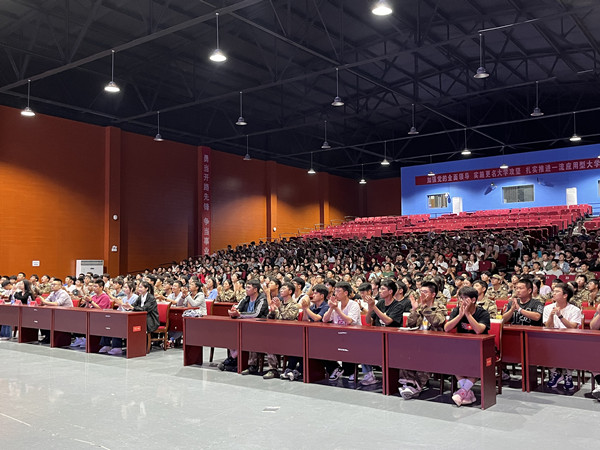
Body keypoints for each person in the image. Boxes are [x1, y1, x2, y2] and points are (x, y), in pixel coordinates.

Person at [398, 281, 447, 399]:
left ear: (433, 294)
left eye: (425, 292)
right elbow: (409, 324)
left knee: (425, 356)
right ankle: (409, 384)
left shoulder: (440, 307)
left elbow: (436, 322)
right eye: (421, 292)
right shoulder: (418, 306)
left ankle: (416, 386)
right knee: (405, 353)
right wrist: (415, 310)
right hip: (417, 341)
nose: (422, 294)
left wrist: (424, 307)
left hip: (434, 343)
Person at [444, 286, 490, 406]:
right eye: (460, 298)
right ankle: (466, 391)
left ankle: (463, 391)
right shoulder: (457, 310)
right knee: (452, 357)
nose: (461, 301)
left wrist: (468, 314)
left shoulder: (483, 313)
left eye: (465, 298)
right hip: (462, 346)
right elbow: (447, 328)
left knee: (476, 361)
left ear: (473, 300)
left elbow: (479, 330)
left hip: (480, 347)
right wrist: (460, 315)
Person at [280, 284, 330, 381]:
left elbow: (317, 318)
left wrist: (306, 308)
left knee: (306, 348)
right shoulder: (313, 306)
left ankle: (298, 370)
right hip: (311, 334)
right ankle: (290, 369)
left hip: (323, 337)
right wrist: (304, 309)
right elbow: (305, 320)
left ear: (322, 296)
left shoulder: (326, 306)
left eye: (315, 293)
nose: (312, 295)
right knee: (296, 345)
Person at [361, 279, 406, 386]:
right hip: (378, 336)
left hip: (392, 339)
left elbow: (388, 321)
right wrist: (369, 309)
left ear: (390, 291)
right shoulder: (380, 303)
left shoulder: (398, 305)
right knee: (362, 346)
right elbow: (369, 321)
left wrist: (374, 306)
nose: (380, 291)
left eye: (382, 289)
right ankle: (369, 375)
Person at [221, 279, 268, 373]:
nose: (246, 289)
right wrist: (233, 312)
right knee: (230, 335)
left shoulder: (262, 299)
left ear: (255, 289)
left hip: (259, 328)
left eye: (248, 287)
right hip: (244, 327)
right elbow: (237, 309)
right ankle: (234, 359)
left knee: (250, 338)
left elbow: (256, 314)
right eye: (246, 287)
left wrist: (240, 314)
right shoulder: (245, 298)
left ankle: (251, 365)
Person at [543, 283, 582, 390]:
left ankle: (568, 375)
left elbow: (573, 327)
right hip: (552, 338)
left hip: (569, 339)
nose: (553, 293)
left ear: (565, 295)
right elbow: (548, 326)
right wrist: (551, 315)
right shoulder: (547, 308)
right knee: (543, 348)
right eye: (553, 291)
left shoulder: (575, 310)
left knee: (571, 348)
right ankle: (555, 373)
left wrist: (560, 316)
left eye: (557, 291)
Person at [322, 281, 362, 381]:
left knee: (347, 347)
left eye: (338, 291)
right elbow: (325, 320)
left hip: (353, 335)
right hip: (337, 334)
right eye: (335, 291)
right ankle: (336, 368)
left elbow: (349, 321)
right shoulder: (336, 304)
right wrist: (331, 308)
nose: (336, 293)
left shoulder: (354, 305)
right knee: (321, 345)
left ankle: (351, 371)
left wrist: (336, 309)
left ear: (346, 293)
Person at [111, 281, 159, 355]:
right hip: (142, 317)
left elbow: (145, 309)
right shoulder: (140, 297)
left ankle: (140, 346)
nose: (139, 289)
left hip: (151, 319)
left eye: (141, 287)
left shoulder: (151, 298)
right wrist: (128, 306)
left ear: (146, 288)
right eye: (139, 287)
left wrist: (132, 307)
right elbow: (134, 305)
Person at [263, 281, 299, 379]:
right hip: (278, 332)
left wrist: (279, 307)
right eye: (281, 289)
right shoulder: (280, 303)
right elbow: (271, 318)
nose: (281, 290)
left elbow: (288, 318)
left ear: (290, 291)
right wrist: (272, 311)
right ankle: (273, 369)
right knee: (267, 340)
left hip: (290, 335)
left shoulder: (294, 305)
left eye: (284, 289)